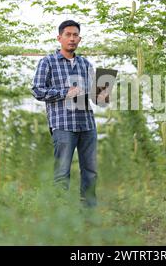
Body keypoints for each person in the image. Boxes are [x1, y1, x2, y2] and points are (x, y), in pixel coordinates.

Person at [31, 20, 108, 208]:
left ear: (79, 39)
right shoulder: (47, 62)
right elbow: (37, 90)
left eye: (76, 35)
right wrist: (64, 92)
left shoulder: (85, 64)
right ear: (60, 38)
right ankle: (60, 213)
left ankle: (89, 214)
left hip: (87, 124)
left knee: (90, 171)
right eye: (68, 35)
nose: (72, 39)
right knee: (62, 172)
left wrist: (102, 94)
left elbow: (96, 97)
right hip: (63, 125)